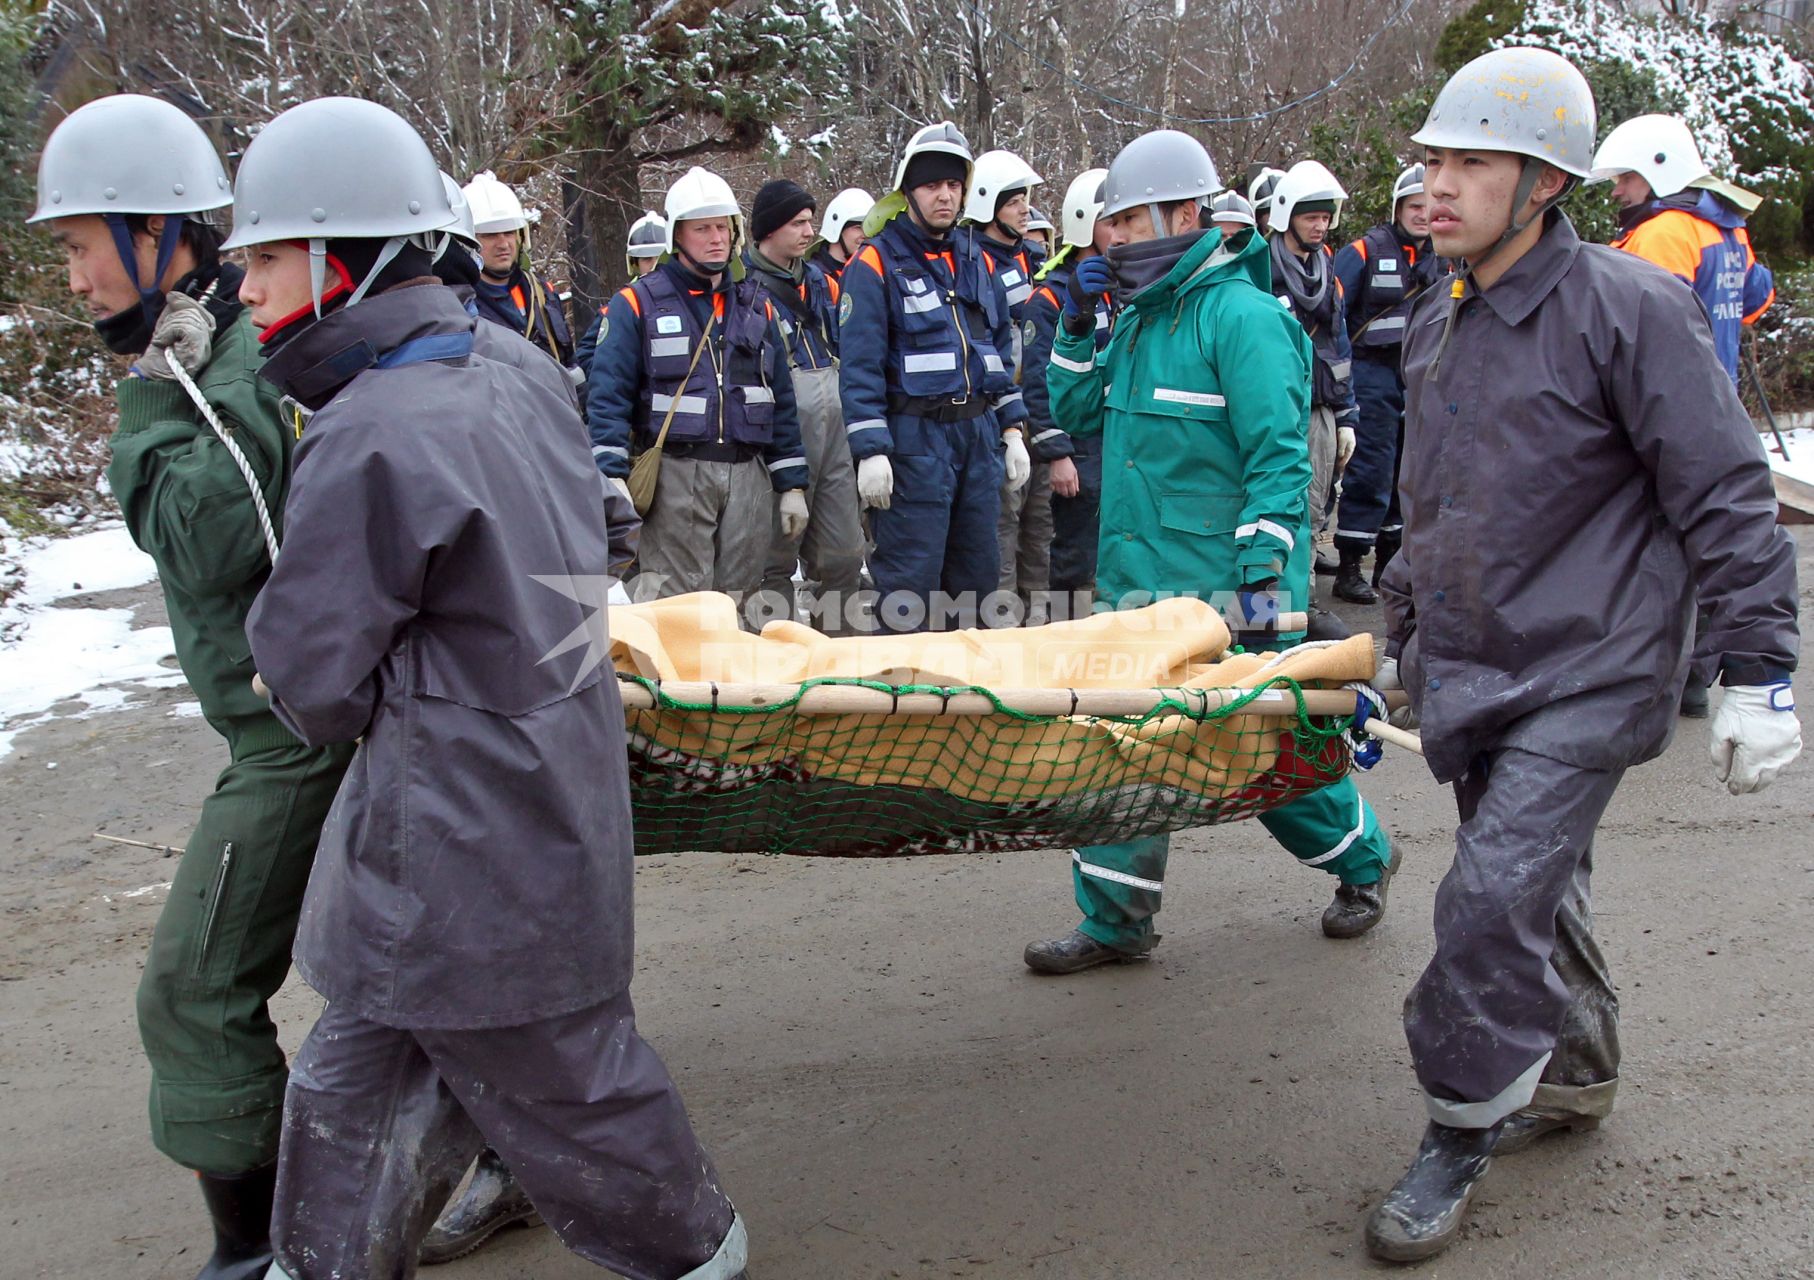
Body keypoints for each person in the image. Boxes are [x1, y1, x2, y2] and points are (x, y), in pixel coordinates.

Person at [227, 95, 750, 1280]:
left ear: (340, 257)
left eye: (263, 258)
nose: (246, 291)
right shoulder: (511, 362)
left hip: (456, 846)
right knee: (355, 1074)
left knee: (569, 1084)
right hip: (531, 799)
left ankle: (697, 1257)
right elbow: (604, 534)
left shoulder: (367, 431)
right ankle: (318, 1263)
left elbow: (309, 679)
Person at [1363, 49, 1801, 1264]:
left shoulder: (1628, 309)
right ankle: (1578, 1063)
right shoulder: (1435, 314)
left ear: (1544, 180)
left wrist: (1760, 667)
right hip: (1471, 658)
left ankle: (1457, 1124)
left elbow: (1722, 494)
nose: (1436, 186)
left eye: (1470, 164)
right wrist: (1391, 634)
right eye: (1433, 161)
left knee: (1488, 892)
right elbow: (1433, 498)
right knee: (1533, 885)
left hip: (1590, 665)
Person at [27, 94, 354, 1280]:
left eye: (77, 245)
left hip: (294, 731)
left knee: (195, 986)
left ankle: (255, 1250)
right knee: (378, 972)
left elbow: (220, 538)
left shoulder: (212, 360)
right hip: (280, 718)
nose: (69, 277)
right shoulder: (192, 349)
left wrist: (171, 391)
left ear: (158, 232)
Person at [1024, 129, 1399, 977]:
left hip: (1231, 594)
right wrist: (1078, 321)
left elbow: (1278, 455)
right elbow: (1078, 404)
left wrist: (1265, 576)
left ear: (1185, 214)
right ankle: (1117, 921)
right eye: (1108, 226)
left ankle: (1365, 860)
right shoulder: (1138, 320)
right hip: (1137, 586)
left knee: (1255, 752)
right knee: (1120, 748)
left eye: (1125, 223)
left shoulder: (1244, 319)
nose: (1110, 241)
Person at [586, 165, 809, 613]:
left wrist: (792, 483)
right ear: (677, 236)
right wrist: (610, 470)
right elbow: (608, 392)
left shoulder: (756, 304)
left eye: (722, 227)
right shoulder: (636, 304)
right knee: (679, 607)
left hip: (748, 475)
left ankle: (733, 685)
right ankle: (675, 684)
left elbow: (780, 398)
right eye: (702, 228)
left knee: (741, 604)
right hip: (676, 475)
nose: (716, 238)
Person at [838, 121, 1031, 632]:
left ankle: (972, 703)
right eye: (931, 186)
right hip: (913, 443)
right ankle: (902, 706)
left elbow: (993, 350)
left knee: (977, 586)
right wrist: (871, 450)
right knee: (908, 589)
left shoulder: (976, 260)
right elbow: (859, 366)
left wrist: (1012, 430)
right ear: (908, 192)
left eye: (953, 185)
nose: (944, 196)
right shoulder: (874, 263)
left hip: (977, 439)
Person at [745, 178, 866, 632]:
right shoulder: (744, 292)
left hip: (835, 437)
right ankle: (772, 673)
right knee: (769, 564)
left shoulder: (822, 284)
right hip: (774, 439)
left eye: (810, 221)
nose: (808, 231)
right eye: (797, 222)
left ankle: (838, 667)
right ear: (770, 230)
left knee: (844, 555)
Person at [1593, 113, 1774, 387]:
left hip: (1664, 404)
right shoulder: (1729, 229)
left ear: (1661, 170)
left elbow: (1640, 332)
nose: (1617, 191)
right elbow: (1755, 299)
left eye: (1627, 177)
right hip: (1717, 401)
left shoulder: (1663, 233)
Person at [1330, 163, 1439, 603]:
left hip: (1418, 374)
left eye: (1428, 206)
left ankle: (1392, 565)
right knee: (1370, 469)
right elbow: (1331, 314)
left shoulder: (1445, 255)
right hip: (1371, 373)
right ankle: (1351, 565)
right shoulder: (1362, 251)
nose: (1422, 215)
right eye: (1414, 206)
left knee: (1407, 470)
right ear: (1397, 208)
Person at [1268, 159, 1359, 632]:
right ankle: (1268, 610)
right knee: (1272, 509)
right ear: (1286, 216)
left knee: (1314, 511)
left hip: (1320, 410)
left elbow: (1339, 347)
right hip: (1273, 410)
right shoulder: (1260, 274)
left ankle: (1301, 605)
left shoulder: (1329, 276)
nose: (1320, 225)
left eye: (1325, 216)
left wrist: (1346, 416)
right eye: (1310, 216)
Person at [963, 149, 1053, 624]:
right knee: (1001, 523)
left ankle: (1037, 622)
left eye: (1026, 199)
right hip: (996, 413)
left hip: (1034, 406)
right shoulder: (970, 262)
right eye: (1014, 199)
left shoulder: (1029, 259)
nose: (1025, 209)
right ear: (986, 203)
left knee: (1039, 522)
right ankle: (1001, 627)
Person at [1024, 168, 1113, 622]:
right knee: (1072, 559)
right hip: (1078, 452)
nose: (1120, 230)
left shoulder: (1121, 288)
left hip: (1115, 445)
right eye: (1110, 220)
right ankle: (1065, 643)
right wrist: (1057, 451)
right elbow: (1037, 382)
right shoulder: (1052, 297)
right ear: (1085, 222)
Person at [462, 170, 576, 368]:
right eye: (490, 235)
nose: (503, 243)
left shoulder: (541, 294)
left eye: (508, 232)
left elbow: (569, 366)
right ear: (468, 241)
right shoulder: (459, 307)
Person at [575, 211, 668, 376]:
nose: (655, 265)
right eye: (648, 259)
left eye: (659, 258)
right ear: (635, 264)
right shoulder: (618, 308)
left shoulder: (692, 301)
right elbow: (586, 356)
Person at [810, 187, 873, 278]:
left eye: (870, 228)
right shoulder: (813, 279)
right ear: (837, 230)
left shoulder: (869, 272)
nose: (866, 235)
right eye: (858, 227)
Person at [1248, 166, 1285, 236]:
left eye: (1284, 209)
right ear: (1258, 218)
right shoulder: (1255, 246)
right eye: (1270, 211)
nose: (1278, 216)